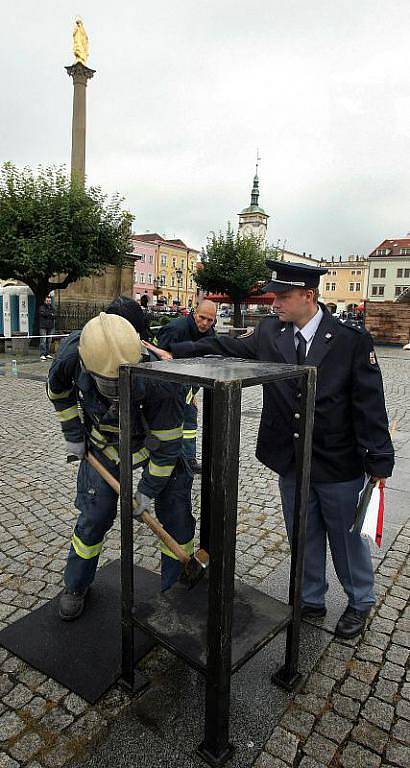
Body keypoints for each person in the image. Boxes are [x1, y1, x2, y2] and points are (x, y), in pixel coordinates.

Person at [147, 261, 394, 639]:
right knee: (303, 533)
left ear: (308, 296)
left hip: (337, 459)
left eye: (283, 296)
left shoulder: (348, 340)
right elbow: (228, 344)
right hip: (291, 459)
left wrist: (379, 458)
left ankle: (359, 601)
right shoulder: (272, 331)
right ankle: (310, 597)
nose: (274, 302)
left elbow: (369, 403)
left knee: (345, 539)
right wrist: (178, 352)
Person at [47, 309, 195, 621]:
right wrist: (74, 434)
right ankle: (76, 584)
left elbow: (167, 449)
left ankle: (176, 592)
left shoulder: (164, 381)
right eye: (108, 383)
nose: (116, 391)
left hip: (151, 446)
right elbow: (59, 392)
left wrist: (146, 493)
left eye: (121, 381)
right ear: (86, 365)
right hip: (104, 446)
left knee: (177, 516)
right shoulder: (72, 356)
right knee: (95, 516)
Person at [156, 300, 217, 473]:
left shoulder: (210, 333)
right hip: (167, 386)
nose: (205, 323)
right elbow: (156, 359)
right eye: (202, 317)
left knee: (190, 421)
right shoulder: (176, 329)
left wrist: (191, 392)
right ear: (194, 313)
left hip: (188, 387)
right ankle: (168, 458)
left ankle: (188, 459)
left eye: (210, 320)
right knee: (169, 425)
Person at [39, 296, 56, 360]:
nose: (48, 302)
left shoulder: (52, 308)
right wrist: (50, 314)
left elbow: (55, 315)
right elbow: (44, 314)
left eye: (49, 301)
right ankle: (42, 354)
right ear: (45, 301)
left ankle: (47, 353)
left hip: (50, 326)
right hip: (43, 326)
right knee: (43, 340)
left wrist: (50, 315)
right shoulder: (42, 307)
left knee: (49, 340)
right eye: (47, 301)